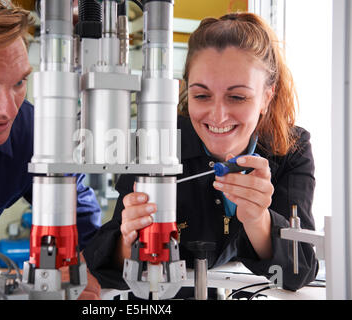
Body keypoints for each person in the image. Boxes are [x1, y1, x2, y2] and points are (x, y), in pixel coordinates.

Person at [83, 12, 318, 294]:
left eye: (237, 96)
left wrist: (258, 220)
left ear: (267, 96)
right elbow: (106, 268)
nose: (217, 116)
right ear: (185, 92)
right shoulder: (158, 141)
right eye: (202, 96)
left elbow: (299, 272)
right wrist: (127, 239)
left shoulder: (291, 148)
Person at [0, 0, 101, 300]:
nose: (7, 110)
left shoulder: (29, 131)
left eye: (20, 82)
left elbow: (75, 204)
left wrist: (81, 263)